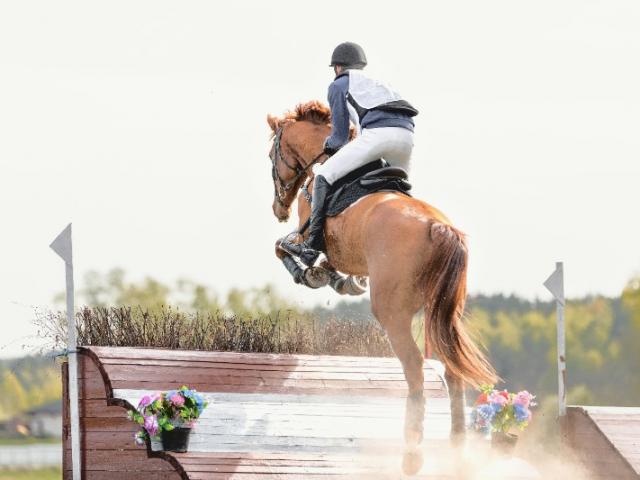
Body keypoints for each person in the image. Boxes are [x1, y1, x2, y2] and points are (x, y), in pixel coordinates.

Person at [292, 41, 419, 267]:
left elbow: (339, 138)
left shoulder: (339, 85)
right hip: (407, 139)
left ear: (338, 68)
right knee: (396, 191)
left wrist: (327, 145)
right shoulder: (377, 84)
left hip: (378, 136)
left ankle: (311, 246)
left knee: (322, 176)